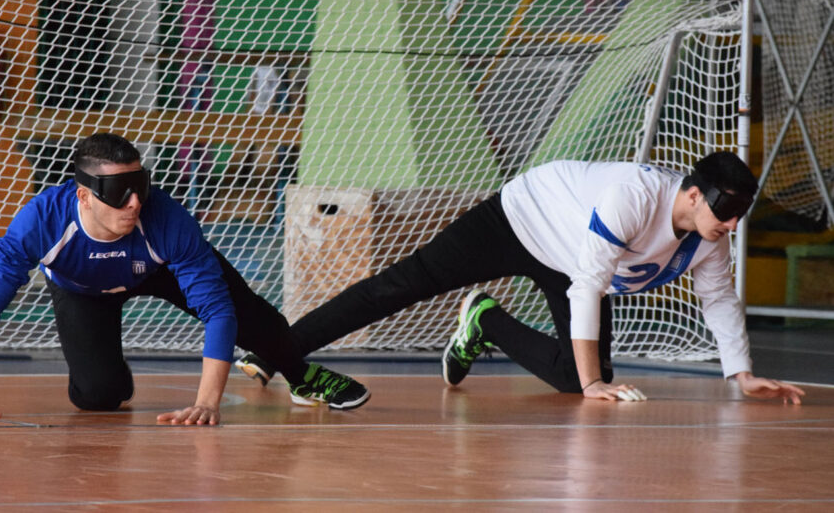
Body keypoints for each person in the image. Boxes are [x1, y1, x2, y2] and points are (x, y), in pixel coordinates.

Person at [235, 153, 805, 404]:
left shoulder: (708, 240)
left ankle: (485, 320)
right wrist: (593, 388)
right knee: (399, 286)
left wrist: (742, 373)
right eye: (723, 213)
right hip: (518, 219)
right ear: (691, 194)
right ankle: (274, 350)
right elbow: (589, 286)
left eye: (736, 218)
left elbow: (720, 301)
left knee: (579, 376)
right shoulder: (634, 196)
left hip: (571, 260)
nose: (729, 227)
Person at [0, 133, 369, 426]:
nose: (135, 202)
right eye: (120, 193)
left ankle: (299, 374)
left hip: (160, 271)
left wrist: (206, 403)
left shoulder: (167, 221)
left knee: (261, 321)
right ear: (83, 194)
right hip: (83, 289)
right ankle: (113, 372)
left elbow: (216, 310)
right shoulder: (39, 223)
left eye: (140, 185)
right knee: (98, 396)